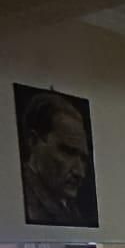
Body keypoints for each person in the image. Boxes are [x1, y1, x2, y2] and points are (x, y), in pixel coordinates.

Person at [19, 91, 95, 226]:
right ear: (33, 141)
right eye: (68, 152)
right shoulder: (28, 202)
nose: (80, 172)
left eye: (83, 159)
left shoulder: (71, 210)